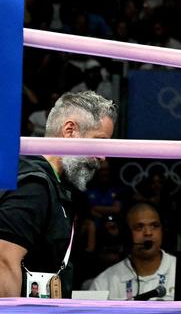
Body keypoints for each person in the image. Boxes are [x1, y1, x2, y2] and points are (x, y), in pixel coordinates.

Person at [0, 91, 116, 297]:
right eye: (100, 141)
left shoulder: (55, 185)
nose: (102, 156)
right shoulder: (34, 185)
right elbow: (4, 261)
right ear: (70, 130)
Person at [84, 202, 177, 300]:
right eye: (139, 227)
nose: (148, 233)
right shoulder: (104, 282)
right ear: (126, 234)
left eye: (154, 226)